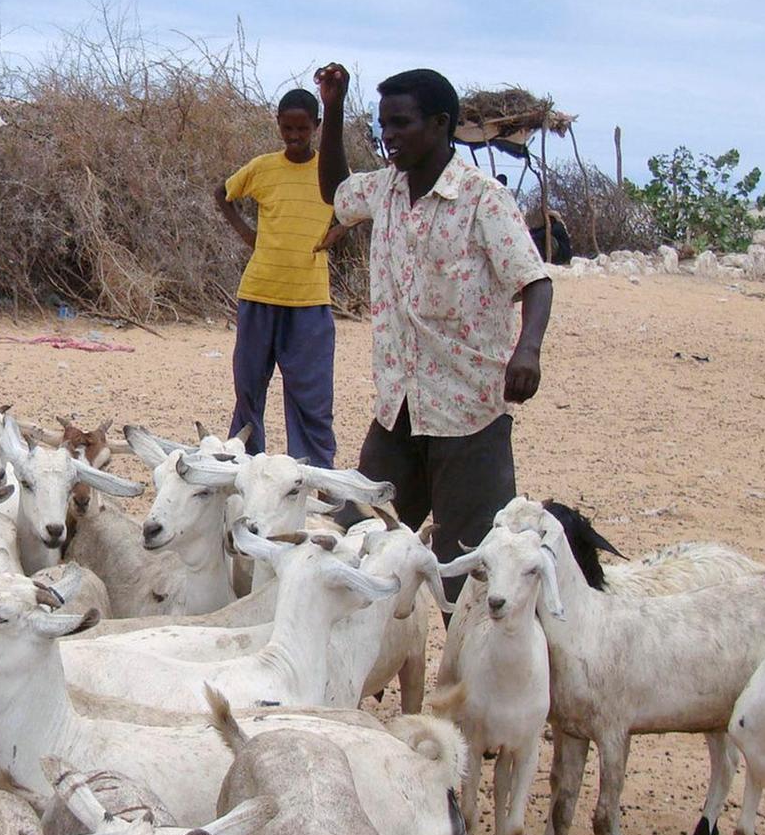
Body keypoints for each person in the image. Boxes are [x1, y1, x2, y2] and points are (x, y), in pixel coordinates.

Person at [315, 63, 554, 591]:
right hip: (397, 410)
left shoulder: (483, 199)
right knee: (361, 551)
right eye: (383, 125)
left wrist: (527, 351)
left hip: (468, 416)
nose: (389, 136)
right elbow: (336, 190)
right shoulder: (384, 191)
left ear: (441, 123)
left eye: (401, 123)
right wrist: (333, 108)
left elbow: (536, 281)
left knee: (467, 573)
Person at [212, 87, 341, 464]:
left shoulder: (330, 172)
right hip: (259, 294)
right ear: (279, 126)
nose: (295, 137)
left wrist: (338, 230)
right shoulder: (263, 167)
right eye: (287, 129)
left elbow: (358, 204)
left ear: (317, 126)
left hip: (310, 301)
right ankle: (245, 468)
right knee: (249, 391)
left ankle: (316, 475)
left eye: (303, 129)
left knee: (312, 398)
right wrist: (246, 233)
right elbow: (222, 194)